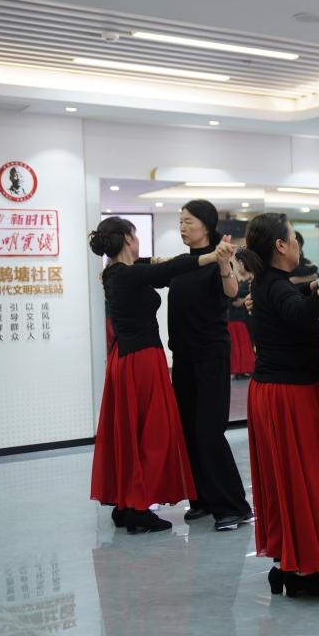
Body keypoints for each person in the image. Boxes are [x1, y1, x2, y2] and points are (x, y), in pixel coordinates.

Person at [88, 216, 233, 533]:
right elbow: (169, 269)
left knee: (131, 432)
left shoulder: (117, 272)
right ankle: (139, 508)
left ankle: (127, 504)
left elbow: (156, 265)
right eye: (135, 236)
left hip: (127, 359)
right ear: (128, 238)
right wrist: (212, 256)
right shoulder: (128, 274)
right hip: (142, 361)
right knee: (151, 434)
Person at [238, 213, 319, 598]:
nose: (298, 246)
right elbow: (300, 312)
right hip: (289, 393)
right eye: (294, 238)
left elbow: (296, 299)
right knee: (301, 477)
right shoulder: (273, 286)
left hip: (279, 390)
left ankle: (286, 562)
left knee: (287, 480)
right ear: (280, 246)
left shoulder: (269, 283)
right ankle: (301, 570)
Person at [169, 199, 254, 531]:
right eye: (180, 221)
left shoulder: (220, 258)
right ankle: (202, 499)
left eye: (188, 221)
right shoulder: (181, 263)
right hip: (183, 356)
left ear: (206, 225)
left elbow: (231, 290)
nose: (182, 226)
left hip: (210, 356)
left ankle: (233, 506)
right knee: (189, 430)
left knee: (208, 430)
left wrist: (223, 263)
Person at [227, 254, 256, 379]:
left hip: (246, 317)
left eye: (241, 264)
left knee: (247, 343)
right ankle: (240, 368)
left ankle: (246, 368)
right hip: (237, 317)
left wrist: (243, 300)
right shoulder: (240, 282)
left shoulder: (252, 281)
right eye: (238, 264)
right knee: (240, 344)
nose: (239, 267)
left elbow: (251, 293)